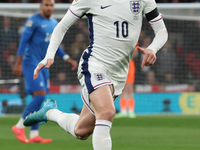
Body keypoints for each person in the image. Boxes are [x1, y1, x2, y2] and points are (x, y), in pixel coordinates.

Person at [23, 0, 168, 149]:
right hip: (95, 64)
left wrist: (153, 48)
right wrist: (49, 55)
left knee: (81, 131)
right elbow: (62, 26)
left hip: (119, 74)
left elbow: (161, 31)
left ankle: (50, 112)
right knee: (107, 111)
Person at [12, 0, 77, 143]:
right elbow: (23, 42)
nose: (49, 7)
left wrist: (68, 58)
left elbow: (55, 46)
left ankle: (34, 135)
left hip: (43, 64)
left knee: (40, 98)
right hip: (30, 63)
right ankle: (19, 126)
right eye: (46, 4)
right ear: (41, 6)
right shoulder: (33, 21)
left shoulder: (54, 23)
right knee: (40, 96)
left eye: (51, 5)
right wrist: (18, 64)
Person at [115, 43, 138, 119]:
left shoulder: (134, 40)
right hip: (121, 65)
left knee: (130, 88)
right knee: (123, 89)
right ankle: (123, 111)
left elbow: (135, 53)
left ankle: (131, 111)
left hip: (130, 65)